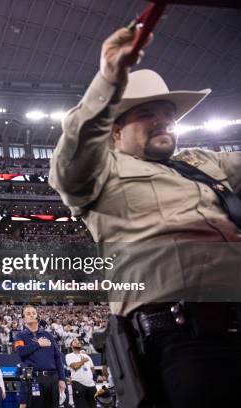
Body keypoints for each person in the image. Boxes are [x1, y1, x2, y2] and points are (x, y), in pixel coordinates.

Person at [48, 25, 241, 408]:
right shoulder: (103, 173)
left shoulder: (203, 162)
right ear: (115, 131)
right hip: (186, 341)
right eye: (146, 113)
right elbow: (70, 160)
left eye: (168, 113)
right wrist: (108, 80)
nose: (163, 120)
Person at [14, 306, 65, 408]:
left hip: (53, 378)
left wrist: (62, 378)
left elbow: (57, 357)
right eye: (28, 313)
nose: (32, 315)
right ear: (24, 318)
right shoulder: (20, 335)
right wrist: (38, 344)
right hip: (34, 379)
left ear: (37, 316)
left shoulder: (48, 334)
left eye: (33, 313)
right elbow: (20, 352)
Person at [65, 340, 95, 408]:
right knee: (80, 405)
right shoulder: (69, 356)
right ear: (71, 346)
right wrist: (83, 361)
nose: (78, 342)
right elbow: (75, 367)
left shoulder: (86, 356)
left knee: (92, 405)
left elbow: (92, 369)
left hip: (91, 384)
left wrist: (87, 376)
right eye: (75, 342)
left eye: (79, 342)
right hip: (78, 383)